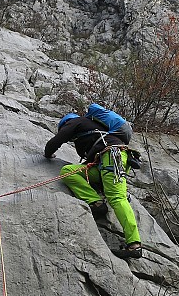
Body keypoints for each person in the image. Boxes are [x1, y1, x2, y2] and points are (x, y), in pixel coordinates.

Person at [44, 110, 143, 259]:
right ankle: (96, 203)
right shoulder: (93, 131)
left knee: (116, 197)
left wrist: (48, 153)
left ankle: (134, 245)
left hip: (113, 156)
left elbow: (57, 140)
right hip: (103, 163)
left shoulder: (77, 122)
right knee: (69, 171)